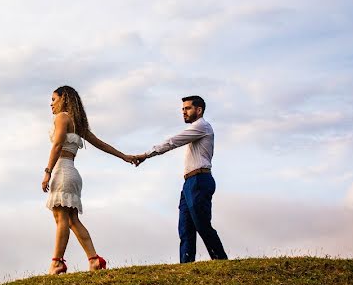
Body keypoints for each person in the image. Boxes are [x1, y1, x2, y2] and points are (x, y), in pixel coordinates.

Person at [43, 85, 135, 274]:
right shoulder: (77, 123)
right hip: (72, 172)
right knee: (71, 219)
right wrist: (124, 156)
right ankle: (94, 259)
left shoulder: (62, 118)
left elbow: (58, 144)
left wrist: (47, 171)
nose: (51, 104)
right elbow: (101, 144)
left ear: (64, 99)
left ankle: (57, 262)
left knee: (62, 218)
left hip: (62, 171)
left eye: (54, 99)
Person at [132, 96, 228, 263]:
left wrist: (147, 155)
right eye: (183, 109)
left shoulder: (202, 126)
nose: (184, 112)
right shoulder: (197, 128)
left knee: (202, 225)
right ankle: (186, 266)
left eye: (188, 108)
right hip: (189, 182)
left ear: (199, 110)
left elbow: (173, 142)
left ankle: (220, 260)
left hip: (200, 179)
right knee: (185, 228)